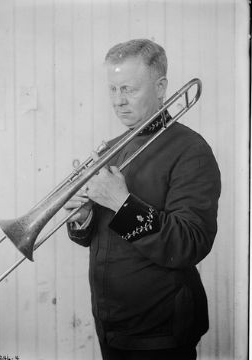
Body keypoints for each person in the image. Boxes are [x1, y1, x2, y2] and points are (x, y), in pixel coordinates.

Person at [64, 39, 221, 360]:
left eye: (129, 90)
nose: (118, 101)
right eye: (112, 89)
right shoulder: (110, 147)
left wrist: (122, 203)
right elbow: (99, 237)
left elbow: (191, 243)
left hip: (161, 331)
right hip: (110, 323)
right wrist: (82, 217)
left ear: (161, 87)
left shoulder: (192, 150)